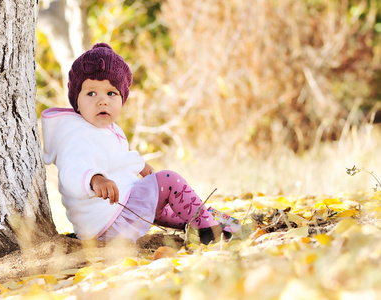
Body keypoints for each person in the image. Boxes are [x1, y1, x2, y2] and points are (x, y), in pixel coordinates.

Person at [41, 43, 240, 245]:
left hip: (113, 217)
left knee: (163, 204)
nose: (102, 101)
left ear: (122, 99)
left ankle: (215, 223)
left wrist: (139, 165)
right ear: (77, 100)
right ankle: (210, 229)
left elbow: (116, 158)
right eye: (91, 93)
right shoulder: (76, 134)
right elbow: (72, 170)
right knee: (168, 181)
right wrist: (95, 179)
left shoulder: (106, 129)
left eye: (111, 93)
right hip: (108, 221)